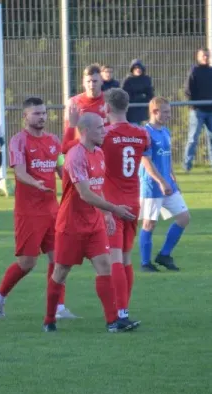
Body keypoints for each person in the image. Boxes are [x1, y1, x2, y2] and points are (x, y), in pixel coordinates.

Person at [43, 112, 138, 333]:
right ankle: (49, 319)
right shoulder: (75, 156)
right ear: (85, 131)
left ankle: (113, 321)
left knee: (104, 266)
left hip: (94, 223)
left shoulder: (99, 153)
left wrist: (106, 215)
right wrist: (114, 209)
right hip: (71, 226)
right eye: (100, 129)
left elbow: (97, 188)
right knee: (60, 272)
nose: (104, 132)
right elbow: (85, 193)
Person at [0, 97, 77, 320]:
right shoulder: (19, 141)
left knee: (59, 259)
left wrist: (75, 183)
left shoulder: (53, 141)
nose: (42, 117)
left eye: (44, 113)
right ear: (25, 116)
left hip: (53, 211)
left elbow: (60, 168)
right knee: (27, 263)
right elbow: (19, 172)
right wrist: (35, 182)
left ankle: (58, 308)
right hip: (28, 212)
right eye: (36, 113)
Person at [101, 88, 167, 326]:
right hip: (133, 202)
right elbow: (145, 158)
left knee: (115, 259)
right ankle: (124, 311)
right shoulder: (141, 134)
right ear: (127, 107)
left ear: (107, 108)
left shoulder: (104, 134)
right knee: (127, 259)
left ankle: (121, 314)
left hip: (111, 204)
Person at [139, 97, 191, 272]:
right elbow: (146, 160)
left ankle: (164, 255)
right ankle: (145, 263)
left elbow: (167, 158)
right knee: (149, 223)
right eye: (166, 112)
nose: (169, 115)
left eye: (169, 111)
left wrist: (173, 179)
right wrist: (161, 181)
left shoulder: (166, 131)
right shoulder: (145, 133)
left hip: (168, 185)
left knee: (184, 217)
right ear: (155, 112)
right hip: (152, 186)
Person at [183, 47, 212, 171]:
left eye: (207, 55)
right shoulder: (194, 71)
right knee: (193, 138)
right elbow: (187, 89)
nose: (205, 58)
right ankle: (187, 165)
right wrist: (193, 104)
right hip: (198, 110)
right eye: (203, 56)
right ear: (198, 57)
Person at [61, 64, 107, 154]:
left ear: (101, 81)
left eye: (95, 81)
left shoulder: (109, 101)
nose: (91, 85)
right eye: (88, 81)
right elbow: (67, 136)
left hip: (104, 151)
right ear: (83, 82)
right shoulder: (74, 103)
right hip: (81, 152)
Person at [121, 59, 154, 125]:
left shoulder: (146, 79)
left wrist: (142, 97)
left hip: (144, 111)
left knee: (145, 131)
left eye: (139, 68)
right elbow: (126, 96)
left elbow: (150, 95)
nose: (138, 69)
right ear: (132, 69)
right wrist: (140, 96)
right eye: (136, 68)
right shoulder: (128, 81)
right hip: (132, 113)